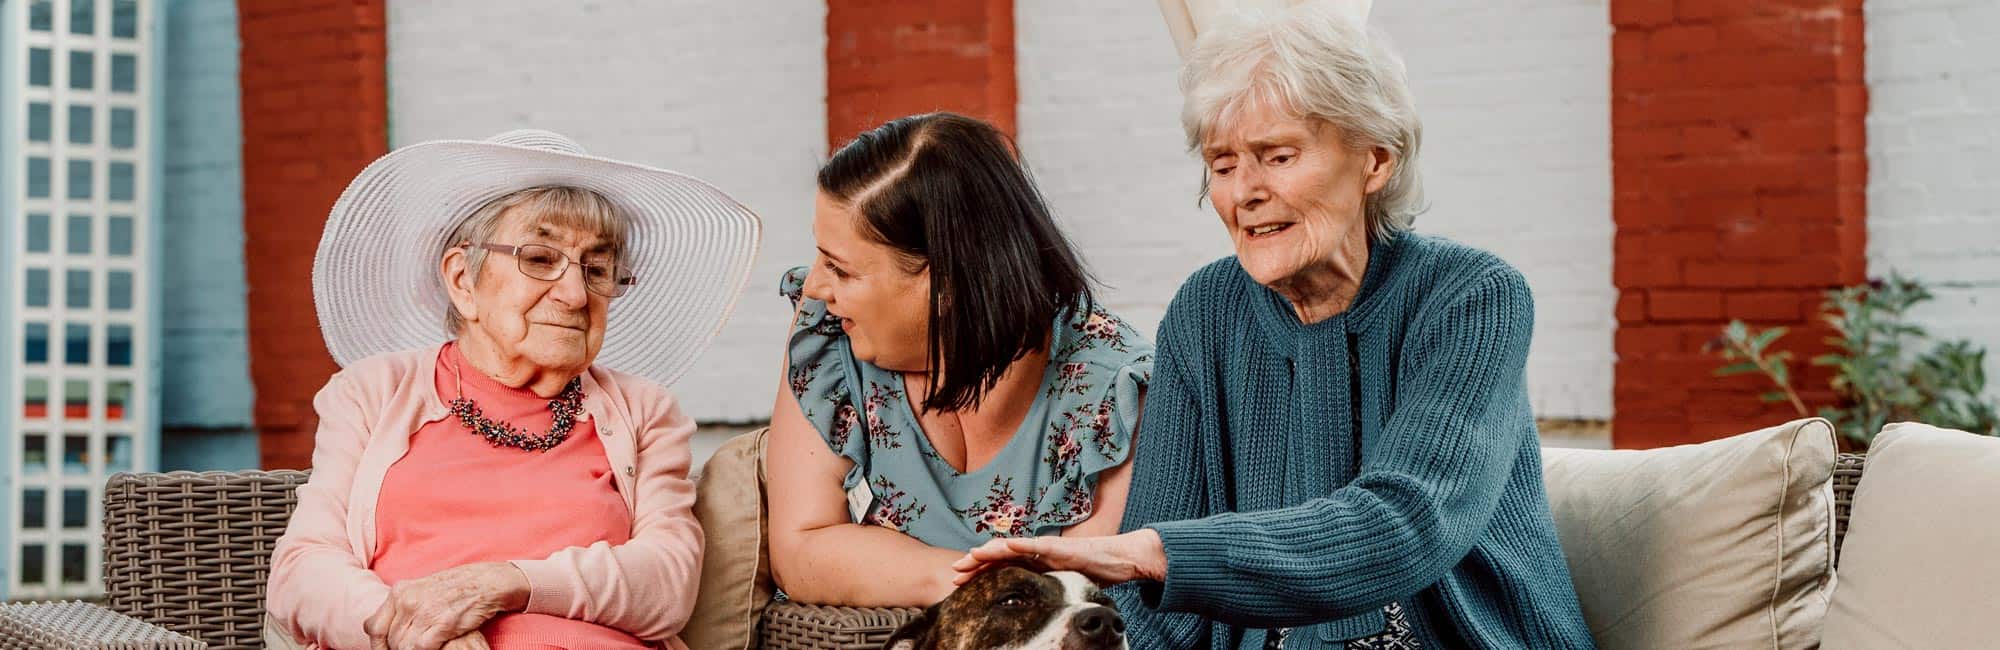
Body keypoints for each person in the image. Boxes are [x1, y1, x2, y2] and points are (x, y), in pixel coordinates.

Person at [955, 6, 1598, 648]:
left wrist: (1155, 552)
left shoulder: (1471, 296)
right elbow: (1156, 612)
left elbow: (1409, 522)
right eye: (1223, 165)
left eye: (1278, 156)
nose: (1245, 192)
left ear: (1376, 161)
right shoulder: (1205, 311)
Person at [267, 129, 762, 650]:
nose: (575, 295)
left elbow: (667, 583)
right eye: (540, 260)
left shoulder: (643, 410)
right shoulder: (374, 393)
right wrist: (419, 634)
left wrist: (504, 583)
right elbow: (302, 572)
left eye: (597, 269)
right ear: (463, 280)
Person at [766, 113, 1155, 607]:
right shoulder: (829, 334)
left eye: (840, 269)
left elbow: (1071, 607)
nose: (817, 285)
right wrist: (979, 586)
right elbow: (800, 550)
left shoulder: (1116, 395)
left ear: (946, 284)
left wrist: (889, 569)